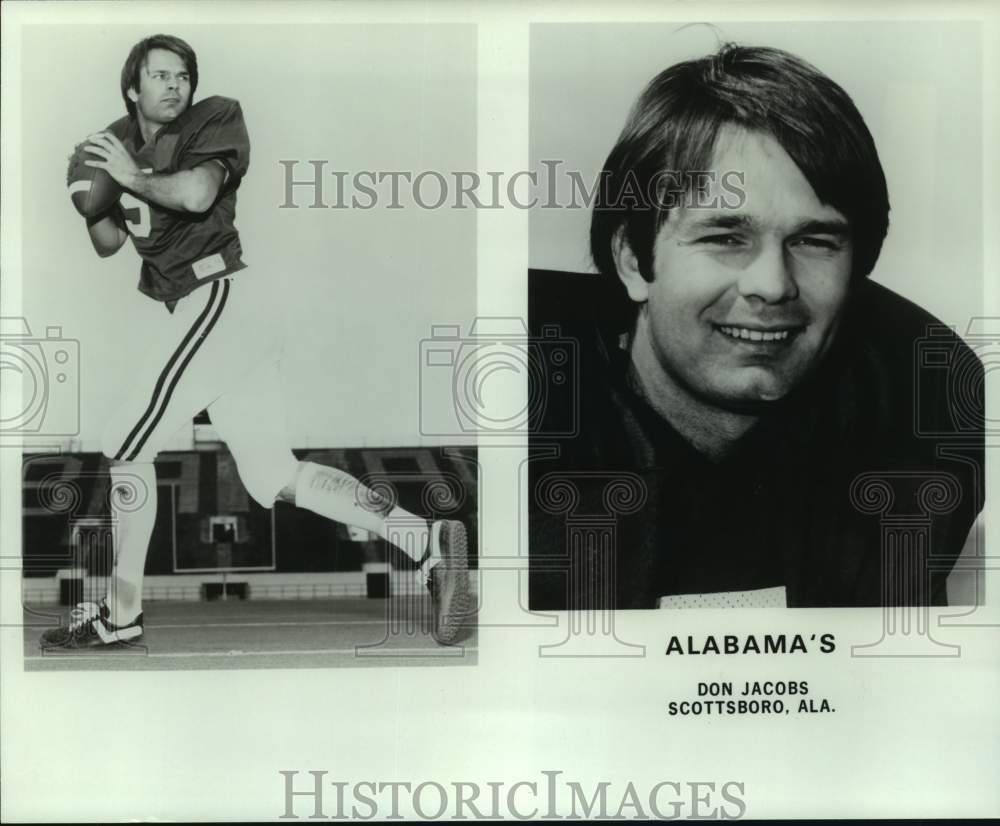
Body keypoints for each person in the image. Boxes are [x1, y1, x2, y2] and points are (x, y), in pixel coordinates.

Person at [44, 34, 472, 648]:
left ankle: (121, 613)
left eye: (182, 75)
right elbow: (109, 243)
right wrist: (90, 200)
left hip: (216, 294)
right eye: (159, 75)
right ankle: (422, 540)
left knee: (125, 442)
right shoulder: (113, 142)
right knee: (274, 474)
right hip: (206, 314)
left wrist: (126, 175)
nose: (173, 85)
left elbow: (194, 194)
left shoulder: (214, 117)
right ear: (131, 87)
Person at [528, 44, 985, 609]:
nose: (772, 284)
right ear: (632, 259)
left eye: (814, 241)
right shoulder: (525, 401)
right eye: (724, 237)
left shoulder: (922, 397)